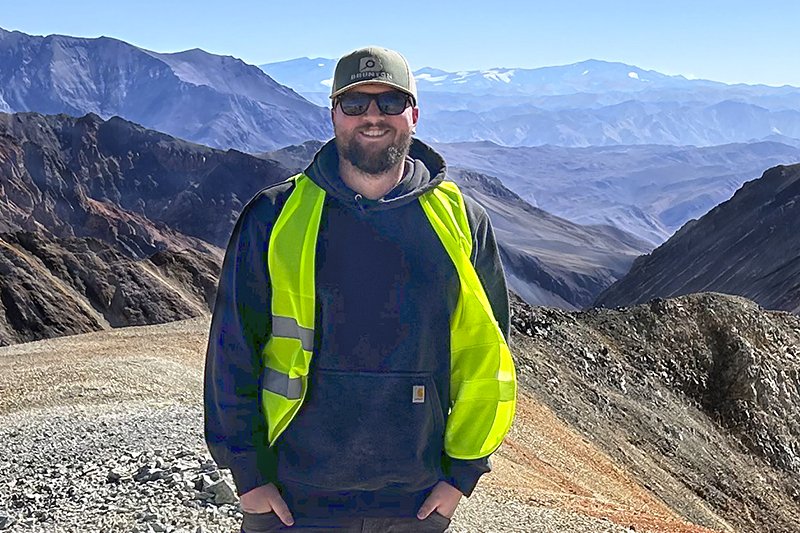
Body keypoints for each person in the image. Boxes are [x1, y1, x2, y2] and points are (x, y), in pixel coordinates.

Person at [204, 46, 516, 533]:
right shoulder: (274, 216)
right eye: (355, 104)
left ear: (413, 114)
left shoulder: (462, 221)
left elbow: (489, 356)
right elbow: (232, 348)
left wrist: (461, 477)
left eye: (390, 102)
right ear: (333, 115)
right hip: (292, 498)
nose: (373, 117)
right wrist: (249, 477)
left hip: (415, 504)